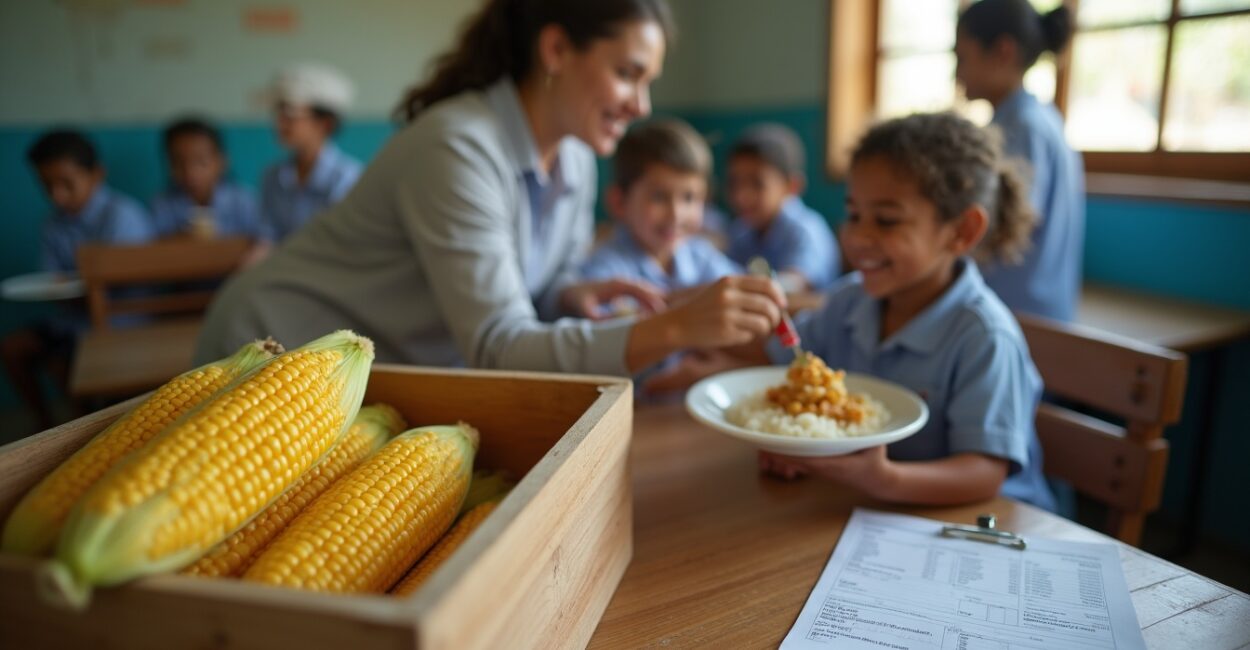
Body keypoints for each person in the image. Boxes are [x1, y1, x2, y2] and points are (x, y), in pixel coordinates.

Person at [194, 0, 785, 378]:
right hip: (270, 348)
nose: (641, 104)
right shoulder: (457, 147)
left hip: (370, 369)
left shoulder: (576, 157)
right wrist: (674, 327)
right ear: (555, 50)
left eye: (648, 82)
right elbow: (498, 345)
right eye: (628, 73)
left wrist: (569, 295)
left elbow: (531, 288)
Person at [653, 113, 1055, 511]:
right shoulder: (852, 301)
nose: (858, 237)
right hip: (865, 511)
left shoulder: (983, 336)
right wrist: (689, 333)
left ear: (962, 231)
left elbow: (984, 472)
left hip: (983, 527)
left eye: (886, 220)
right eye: (854, 214)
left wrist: (883, 479)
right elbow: (784, 354)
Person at [1, 129, 153, 431]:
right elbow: (52, 279)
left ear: (96, 174)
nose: (57, 194)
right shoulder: (53, 223)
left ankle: (80, 428)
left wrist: (83, 282)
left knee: (62, 365)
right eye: (47, 185)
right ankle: (44, 425)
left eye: (67, 184)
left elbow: (126, 278)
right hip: (72, 318)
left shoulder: (122, 215)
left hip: (119, 320)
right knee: (12, 348)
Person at [955, 0, 1084, 322]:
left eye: (962, 57)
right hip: (1034, 311)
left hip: (1021, 317)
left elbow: (1001, 228)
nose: (955, 73)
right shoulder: (1041, 119)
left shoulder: (1022, 129)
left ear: (1003, 51)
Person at [580, 118, 740, 301]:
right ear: (619, 203)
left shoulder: (701, 256)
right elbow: (611, 324)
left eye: (689, 198)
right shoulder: (606, 272)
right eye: (658, 197)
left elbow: (740, 289)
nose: (676, 214)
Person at [725, 123, 839, 292]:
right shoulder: (741, 232)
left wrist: (744, 287)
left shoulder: (806, 230)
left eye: (757, 184)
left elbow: (799, 283)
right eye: (734, 183)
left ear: (792, 186)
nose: (742, 196)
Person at [258, 63, 363, 244]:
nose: (280, 123)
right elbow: (267, 238)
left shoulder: (347, 178)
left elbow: (340, 244)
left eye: (290, 115)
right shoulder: (273, 177)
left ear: (325, 123)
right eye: (279, 114)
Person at [151, 117, 262, 240]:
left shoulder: (244, 202)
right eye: (178, 163)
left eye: (201, 162)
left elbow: (263, 243)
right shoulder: (163, 205)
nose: (190, 173)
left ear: (222, 162)